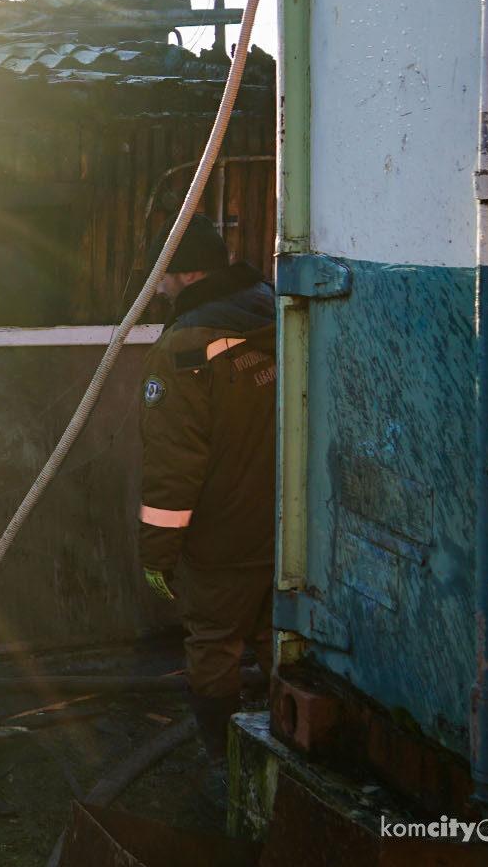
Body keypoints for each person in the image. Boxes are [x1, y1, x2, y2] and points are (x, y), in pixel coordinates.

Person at [136, 214, 277, 764]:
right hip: (289, 534)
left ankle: (225, 763)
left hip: (221, 540)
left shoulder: (183, 350)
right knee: (277, 635)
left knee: (214, 645)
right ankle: (287, 747)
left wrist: (157, 554)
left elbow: (174, 469)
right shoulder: (278, 312)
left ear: (187, 274)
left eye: (164, 273)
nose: (159, 285)